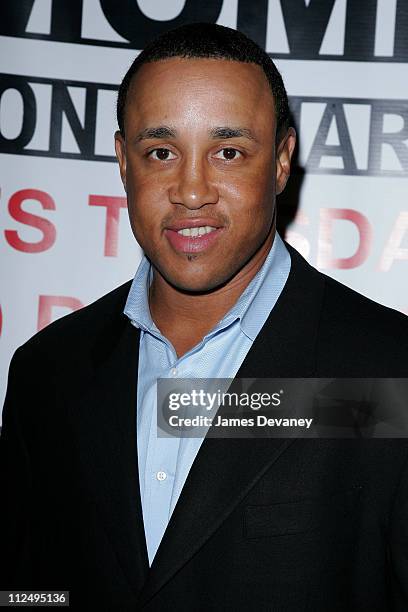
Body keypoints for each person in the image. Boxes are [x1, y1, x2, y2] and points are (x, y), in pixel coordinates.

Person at [1, 22, 408, 611]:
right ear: (123, 161)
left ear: (281, 161)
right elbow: (29, 589)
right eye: (161, 153)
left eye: (228, 152)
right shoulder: (48, 371)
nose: (192, 191)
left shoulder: (388, 371)